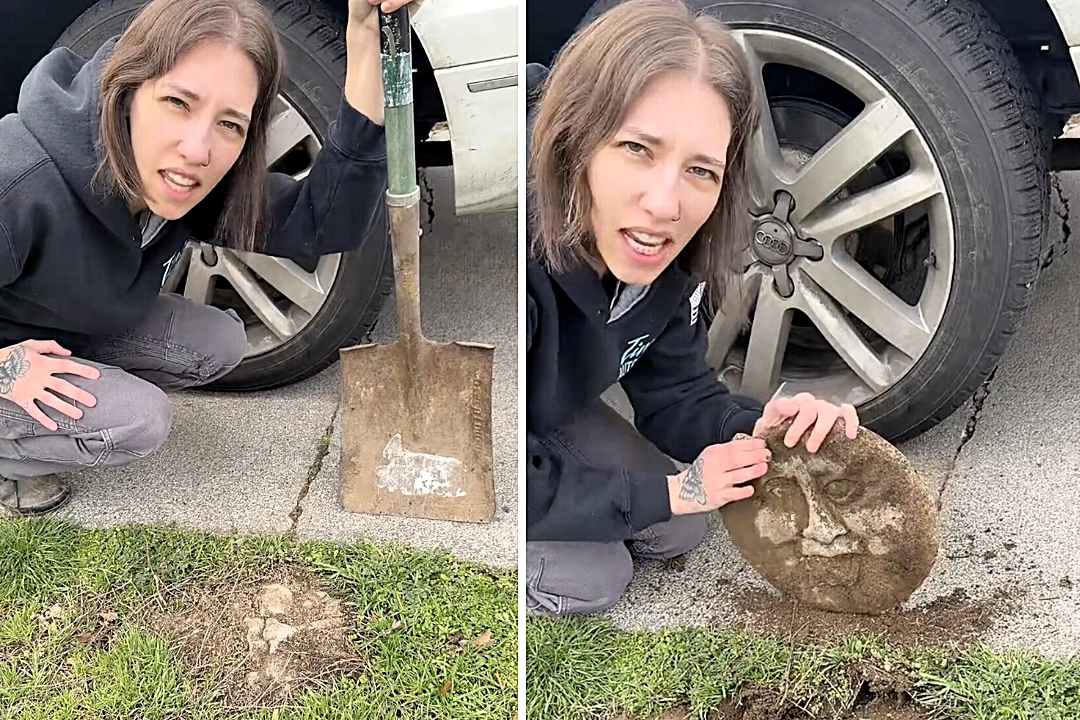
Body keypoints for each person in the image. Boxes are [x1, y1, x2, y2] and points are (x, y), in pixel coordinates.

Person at [0, 0, 415, 515]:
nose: (198, 149)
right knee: (138, 420)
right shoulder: (17, 183)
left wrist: (365, 39)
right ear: (128, 89)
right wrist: (6, 368)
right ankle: (11, 462)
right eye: (178, 102)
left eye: (229, 124)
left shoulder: (190, 181)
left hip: (63, 322)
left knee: (218, 342)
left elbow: (323, 221)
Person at [525, 0, 861, 616]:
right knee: (591, 577)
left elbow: (678, 396)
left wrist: (759, 428)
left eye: (700, 170)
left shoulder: (668, 258)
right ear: (576, 143)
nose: (664, 203)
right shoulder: (522, 268)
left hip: (549, 409)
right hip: (499, 438)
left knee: (678, 526)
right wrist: (672, 489)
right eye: (637, 149)